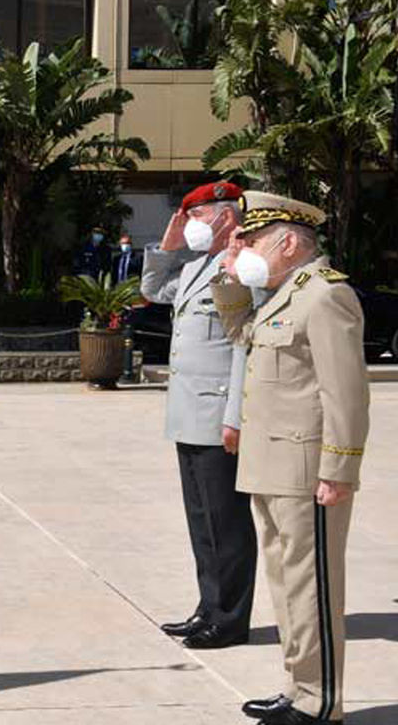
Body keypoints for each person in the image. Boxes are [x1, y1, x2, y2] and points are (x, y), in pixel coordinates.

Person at [211, 191, 370, 725]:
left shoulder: (325, 296)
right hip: (272, 469)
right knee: (286, 587)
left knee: (313, 590)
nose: (247, 247)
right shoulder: (283, 297)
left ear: (288, 241)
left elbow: (344, 393)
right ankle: (300, 689)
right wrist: (231, 273)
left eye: (253, 240)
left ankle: (321, 703)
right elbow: (240, 335)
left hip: (307, 474)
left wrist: (339, 470)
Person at [141, 181, 256, 650]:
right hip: (189, 411)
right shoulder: (197, 266)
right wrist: (166, 247)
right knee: (202, 519)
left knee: (225, 522)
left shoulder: (245, 266)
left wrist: (236, 416)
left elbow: (245, 345)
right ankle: (209, 607)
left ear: (226, 216)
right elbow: (153, 289)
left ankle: (229, 619)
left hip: (218, 414)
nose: (189, 225)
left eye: (197, 216)